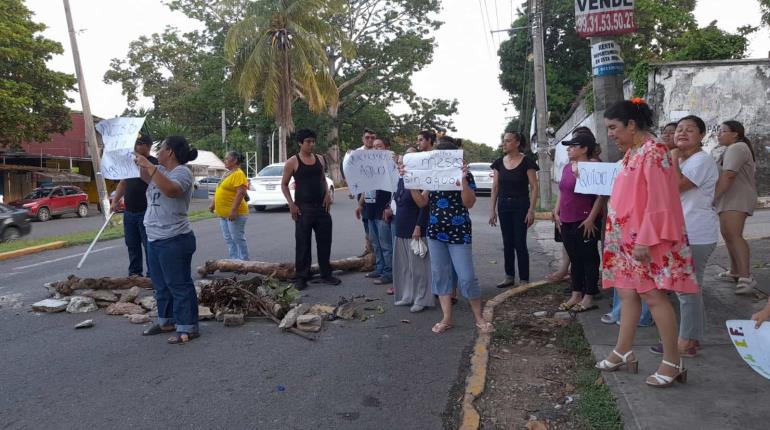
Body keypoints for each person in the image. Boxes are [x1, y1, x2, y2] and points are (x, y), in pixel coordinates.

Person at [595, 99, 697, 388]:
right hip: (624, 237)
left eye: (614, 127)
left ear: (631, 125)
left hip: (643, 239)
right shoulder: (633, 152)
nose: (611, 134)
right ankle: (623, 350)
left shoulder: (654, 151)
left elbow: (660, 199)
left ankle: (673, 361)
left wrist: (645, 238)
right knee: (627, 294)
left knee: (653, 297)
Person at [408, 136, 494, 334]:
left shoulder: (466, 176)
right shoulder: (433, 176)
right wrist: (411, 182)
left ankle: (479, 317)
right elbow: (421, 202)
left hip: (459, 233)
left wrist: (463, 179)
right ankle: (447, 317)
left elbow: (469, 202)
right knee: (441, 275)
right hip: (436, 232)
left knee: (466, 276)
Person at [649, 115, 718, 357]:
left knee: (686, 289)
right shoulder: (683, 158)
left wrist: (674, 157)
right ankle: (692, 337)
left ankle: (686, 341)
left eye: (690, 130)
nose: (682, 133)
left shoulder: (701, 160)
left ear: (701, 136)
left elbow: (676, 186)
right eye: (679, 129)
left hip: (696, 233)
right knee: (689, 288)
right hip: (681, 231)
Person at [135, 136, 200, 344]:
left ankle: (188, 327)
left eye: (160, 148)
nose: (157, 152)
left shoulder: (182, 172)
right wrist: (136, 156)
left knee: (178, 284)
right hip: (155, 237)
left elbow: (172, 191)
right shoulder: (159, 171)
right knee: (161, 285)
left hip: (175, 238)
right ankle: (167, 321)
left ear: (170, 151)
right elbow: (145, 177)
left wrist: (149, 165)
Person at [281, 129, 340, 290]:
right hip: (303, 209)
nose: (311, 144)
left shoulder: (320, 159)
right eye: (308, 141)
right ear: (300, 143)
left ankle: (326, 274)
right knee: (303, 244)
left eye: (313, 141)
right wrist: (291, 204)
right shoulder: (293, 162)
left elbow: (322, 179)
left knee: (324, 242)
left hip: (322, 208)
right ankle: (301, 276)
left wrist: (327, 193)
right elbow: (284, 184)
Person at [554, 133, 605, 312]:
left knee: (589, 259)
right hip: (566, 219)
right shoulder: (568, 167)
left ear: (584, 149)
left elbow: (601, 195)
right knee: (574, 258)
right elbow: (562, 191)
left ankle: (589, 296)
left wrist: (591, 218)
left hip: (584, 220)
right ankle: (576, 294)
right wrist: (556, 211)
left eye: (573, 146)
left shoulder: (594, 166)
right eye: (569, 146)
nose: (568, 149)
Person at [489, 131, 539, 288]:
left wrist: (531, 209)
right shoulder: (498, 162)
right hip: (504, 205)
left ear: (517, 143)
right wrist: (492, 209)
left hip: (521, 205)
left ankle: (524, 279)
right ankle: (509, 276)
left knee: (520, 242)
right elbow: (495, 186)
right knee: (507, 242)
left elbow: (534, 187)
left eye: (508, 141)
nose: (504, 144)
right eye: (503, 141)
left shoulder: (527, 162)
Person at [714, 120, 757, 294]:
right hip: (729, 198)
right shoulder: (730, 149)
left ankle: (746, 276)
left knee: (734, 235)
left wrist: (714, 196)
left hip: (737, 197)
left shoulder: (737, 148)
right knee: (728, 234)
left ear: (735, 134)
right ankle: (735, 271)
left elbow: (729, 175)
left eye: (723, 131)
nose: (719, 134)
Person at [392, 146, 434, 312]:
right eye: (400, 163)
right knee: (404, 267)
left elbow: (424, 207)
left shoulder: (423, 180)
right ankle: (407, 295)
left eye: (405, 163)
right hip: (400, 228)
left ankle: (421, 299)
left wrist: (418, 226)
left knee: (419, 268)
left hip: (415, 229)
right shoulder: (400, 179)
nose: (402, 166)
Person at [110, 133, 157, 277]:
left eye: (140, 144)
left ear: (148, 146)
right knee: (132, 244)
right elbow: (123, 182)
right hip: (129, 212)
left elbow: (153, 180)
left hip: (146, 211)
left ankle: (152, 275)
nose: (136, 146)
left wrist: (141, 163)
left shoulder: (153, 163)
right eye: (135, 144)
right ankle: (135, 273)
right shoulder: (130, 162)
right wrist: (115, 200)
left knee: (148, 245)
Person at [355, 138, 394, 288]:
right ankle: (379, 268)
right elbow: (366, 188)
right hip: (369, 210)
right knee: (376, 244)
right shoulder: (369, 167)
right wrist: (360, 205)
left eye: (380, 146)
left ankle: (388, 273)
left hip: (382, 211)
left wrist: (390, 207)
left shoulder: (390, 166)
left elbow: (395, 190)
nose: (376, 149)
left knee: (386, 245)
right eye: (375, 147)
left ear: (386, 148)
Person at [210, 150, 249, 260]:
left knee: (237, 238)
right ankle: (234, 261)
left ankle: (244, 262)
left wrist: (233, 210)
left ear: (235, 160)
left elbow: (241, 192)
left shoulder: (238, 174)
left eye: (227, 158)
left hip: (235, 214)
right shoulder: (227, 174)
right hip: (223, 214)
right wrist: (213, 204)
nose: (224, 160)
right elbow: (219, 189)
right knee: (229, 239)